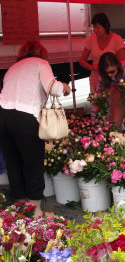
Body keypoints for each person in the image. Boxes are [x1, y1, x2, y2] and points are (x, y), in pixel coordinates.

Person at [0, 41, 71, 220]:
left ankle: (20, 206)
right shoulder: (41, 63)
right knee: (33, 163)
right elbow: (52, 87)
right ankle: (35, 210)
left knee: (13, 162)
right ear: (42, 53)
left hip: (3, 116)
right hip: (25, 117)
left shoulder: (12, 67)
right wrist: (65, 87)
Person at [80, 13, 125, 92]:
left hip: (112, 81)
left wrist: (110, 69)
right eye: (94, 27)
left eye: (98, 27)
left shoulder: (117, 39)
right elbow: (82, 60)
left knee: (111, 103)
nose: (95, 30)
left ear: (106, 26)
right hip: (95, 80)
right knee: (96, 103)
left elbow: (121, 62)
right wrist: (92, 67)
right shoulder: (91, 39)